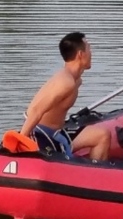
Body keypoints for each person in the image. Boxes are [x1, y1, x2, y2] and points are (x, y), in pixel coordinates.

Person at [17, 32, 112, 161]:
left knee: (102, 135)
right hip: (41, 134)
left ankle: (94, 175)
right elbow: (35, 110)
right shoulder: (65, 82)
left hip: (57, 133)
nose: (92, 53)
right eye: (89, 49)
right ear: (80, 54)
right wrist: (20, 141)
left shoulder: (76, 80)